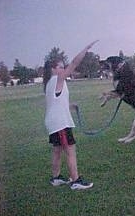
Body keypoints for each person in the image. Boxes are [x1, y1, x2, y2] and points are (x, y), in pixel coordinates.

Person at [43, 40, 98, 190]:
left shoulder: (50, 83)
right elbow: (74, 63)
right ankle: (76, 181)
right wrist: (85, 49)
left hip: (54, 122)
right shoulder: (57, 79)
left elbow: (55, 102)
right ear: (54, 69)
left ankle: (56, 178)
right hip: (60, 123)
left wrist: (70, 106)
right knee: (70, 151)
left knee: (57, 150)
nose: (63, 68)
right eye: (61, 66)